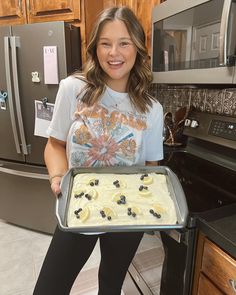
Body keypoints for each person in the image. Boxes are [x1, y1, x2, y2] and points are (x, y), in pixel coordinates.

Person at [33, 6, 163, 295]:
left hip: (125, 214)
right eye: (105, 43)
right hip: (80, 206)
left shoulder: (152, 109)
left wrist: (152, 207)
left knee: (111, 285)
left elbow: (151, 168)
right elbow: (55, 145)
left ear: (138, 48)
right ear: (95, 48)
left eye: (124, 43)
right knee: (49, 288)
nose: (113, 53)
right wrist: (57, 177)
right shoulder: (73, 89)